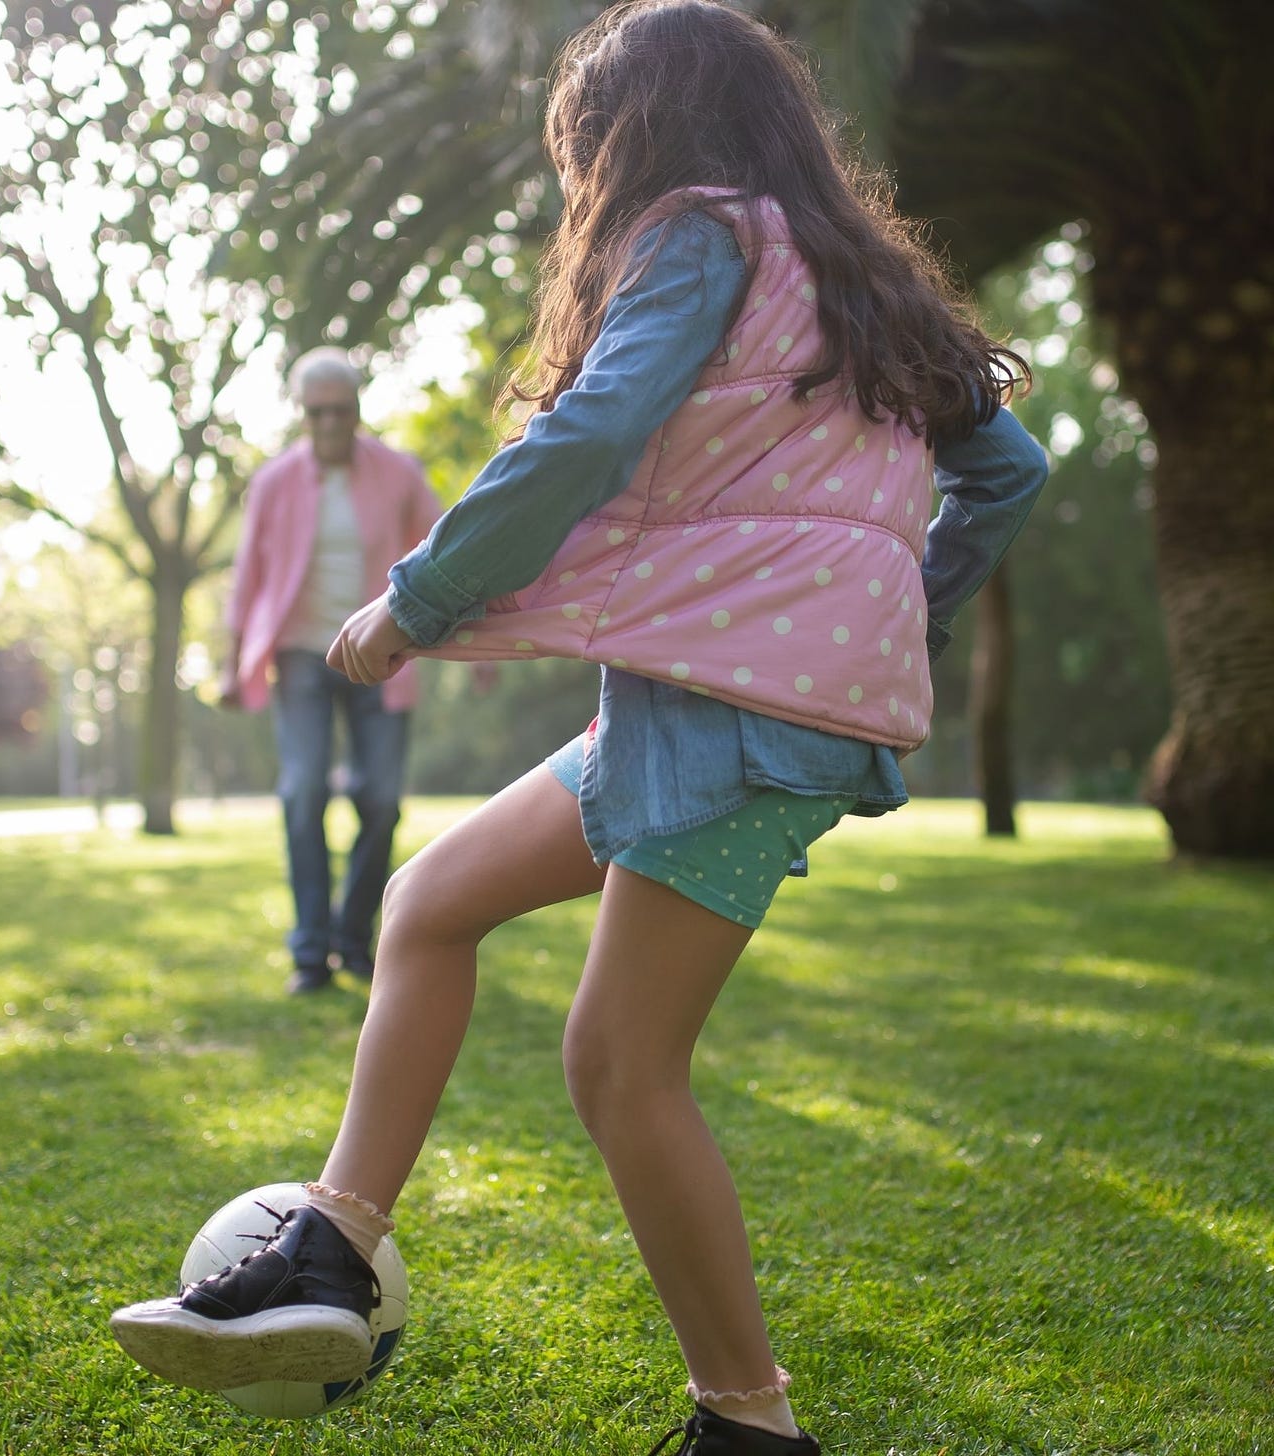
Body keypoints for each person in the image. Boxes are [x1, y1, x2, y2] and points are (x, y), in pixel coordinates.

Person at [112, 4, 1049, 1450]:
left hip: (741, 717)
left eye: (584, 144)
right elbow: (1014, 468)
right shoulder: (862, 279)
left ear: (635, 133)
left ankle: (752, 1423)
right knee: (430, 903)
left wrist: (417, 603)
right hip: (723, 702)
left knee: (619, 1062)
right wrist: (895, 616)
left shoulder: (698, 232)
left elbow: (594, 434)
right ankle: (334, 1244)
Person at [218, 347, 443, 994]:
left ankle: (355, 938)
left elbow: (443, 545)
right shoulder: (273, 483)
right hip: (301, 653)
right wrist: (235, 663)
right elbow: (248, 579)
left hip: (381, 650)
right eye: (315, 413)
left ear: (357, 410)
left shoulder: (397, 473)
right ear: (301, 413)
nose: (327, 425)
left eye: (339, 411)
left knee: (379, 800)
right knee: (303, 791)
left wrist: (474, 636)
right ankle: (311, 953)